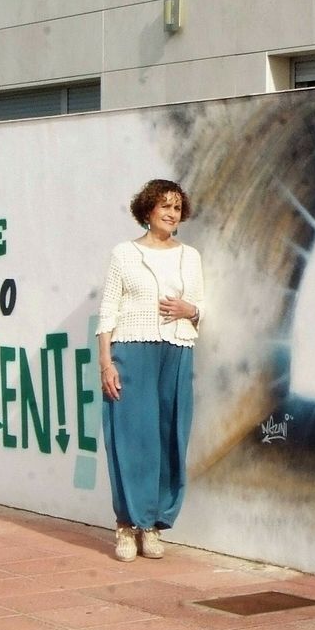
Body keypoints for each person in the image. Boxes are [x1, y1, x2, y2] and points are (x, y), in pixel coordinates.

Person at [96, 179, 206, 562]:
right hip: (131, 350)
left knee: (170, 436)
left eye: (177, 207)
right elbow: (108, 311)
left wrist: (190, 310)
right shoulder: (124, 254)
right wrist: (106, 362)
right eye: (165, 206)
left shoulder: (190, 256)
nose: (172, 214)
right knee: (132, 439)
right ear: (148, 210)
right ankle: (127, 524)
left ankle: (154, 524)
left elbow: (200, 305)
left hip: (176, 350)